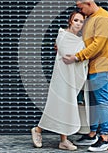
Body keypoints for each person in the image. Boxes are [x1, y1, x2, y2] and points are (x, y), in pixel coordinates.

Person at [63, 0, 108, 152]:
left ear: (89, 4)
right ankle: (92, 134)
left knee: (101, 101)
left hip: (101, 67)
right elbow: (84, 42)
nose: (80, 11)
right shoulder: (92, 19)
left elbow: (97, 45)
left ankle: (105, 138)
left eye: (80, 8)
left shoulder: (103, 19)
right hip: (91, 67)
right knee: (92, 102)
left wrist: (77, 57)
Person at [31, 11, 90, 151]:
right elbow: (67, 56)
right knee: (56, 106)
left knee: (66, 108)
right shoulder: (63, 36)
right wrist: (80, 55)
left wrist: (80, 56)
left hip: (71, 80)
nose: (78, 24)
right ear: (70, 21)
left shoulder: (80, 40)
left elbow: (80, 56)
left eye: (81, 22)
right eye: (76, 20)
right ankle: (38, 130)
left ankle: (63, 140)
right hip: (62, 78)